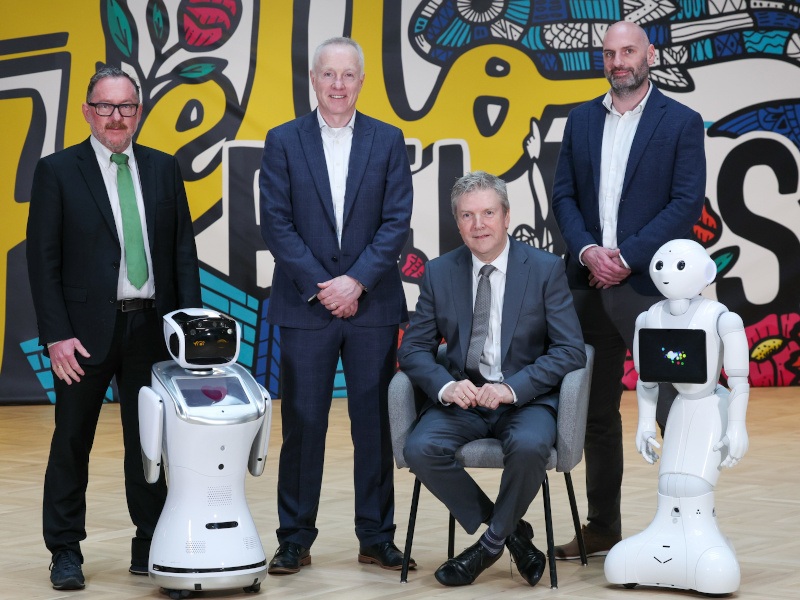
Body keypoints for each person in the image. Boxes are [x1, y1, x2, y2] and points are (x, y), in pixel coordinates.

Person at [26, 66, 202, 590]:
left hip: (151, 329)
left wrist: (189, 330)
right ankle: (64, 550)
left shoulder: (165, 169)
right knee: (71, 441)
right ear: (87, 111)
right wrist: (56, 335)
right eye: (105, 106)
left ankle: (152, 543)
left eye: (126, 106)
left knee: (149, 443)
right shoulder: (57, 171)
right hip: (81, 336)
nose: (116, 117)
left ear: (139, 112)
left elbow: (182, 256)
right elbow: (42, 261)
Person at [550, 20, 706, 559]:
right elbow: (563, 196)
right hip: (587, 287)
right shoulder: (581, 120)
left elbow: (685, 203)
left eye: (629, 52)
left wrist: (626, 257)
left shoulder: (681, 122)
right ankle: (601, 527)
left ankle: (691, 523)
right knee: (596, 412)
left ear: (649, 54)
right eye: (610, 53)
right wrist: (589, 251)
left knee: (675, 405)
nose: (619, 62)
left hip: (652, 292)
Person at [259, 37, 413, 574]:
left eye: (349, 75)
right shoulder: (282, 141)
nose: (339, 85)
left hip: (372, 308)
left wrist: (356, 284)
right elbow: (276, 224)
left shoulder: (389, 140)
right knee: (303, 423)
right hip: (306, 306)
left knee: (373, 423)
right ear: (313, 78)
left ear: (362, 81)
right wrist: (326, 285)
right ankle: (294, 539)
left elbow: (396, 222)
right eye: (329, 75)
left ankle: (376, 537)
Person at [398, 171, 586, 587]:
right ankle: (515, 536)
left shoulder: (543, 269)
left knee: (532, 444)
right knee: (420, 448)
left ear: (505, 217)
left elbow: (571, 349)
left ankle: (488, 547)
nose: (478, 224)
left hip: (525, 398)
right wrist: (447, 387)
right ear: (457, 222)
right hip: (465, 398)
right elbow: (412, 349)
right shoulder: (440, 272)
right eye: (467, 216)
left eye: (487, 213)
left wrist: (512, 388)